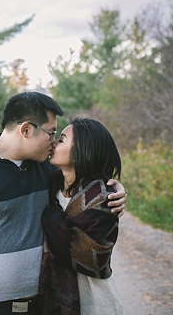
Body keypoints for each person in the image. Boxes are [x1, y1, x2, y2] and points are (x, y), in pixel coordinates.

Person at [0, 92, 127, 315]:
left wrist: (115, 189)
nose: (54, 140)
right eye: (51, 132)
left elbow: (82, 176)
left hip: (45, 302)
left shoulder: (45, 168)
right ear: (26, 129)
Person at [39, 117, 124, 315]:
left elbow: (93, 260)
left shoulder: (105, 200)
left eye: (61, 140)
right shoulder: (49, 187)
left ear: (82, 151)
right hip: (52, 304)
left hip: (97, 304)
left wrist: (48, 215)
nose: (53, 142)